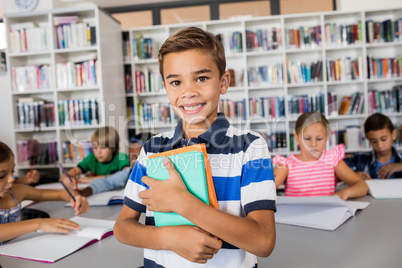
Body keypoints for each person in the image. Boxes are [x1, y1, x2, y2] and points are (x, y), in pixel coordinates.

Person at [113, 27, 276, 267]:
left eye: (201, 78)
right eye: (176, 82)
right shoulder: (152, 148)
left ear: (223, 81)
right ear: (165, 88)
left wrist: (183, 203)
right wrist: (169, 237)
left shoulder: (249, 147)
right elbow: (123, 228)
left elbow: (263, 242)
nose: (188, 92)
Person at [0, 142, 89, 245]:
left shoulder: (16, 192)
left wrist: (76, 197)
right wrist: (39, 223)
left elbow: (60, 194)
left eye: (12, 171)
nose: (11, 179)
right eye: (2, 175)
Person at [273, 111, 368, 200]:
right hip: (294, 215)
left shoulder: (332, 159)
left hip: (326, 215)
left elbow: (362, 186)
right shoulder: (286, 165)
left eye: (319, 138)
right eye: (307, 138)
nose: (313, 144)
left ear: (327, 137)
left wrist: (344, 193)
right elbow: (265, 190)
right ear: (297, 139)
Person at [61, 126, 130, 187]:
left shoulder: (121, 157)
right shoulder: (91, 158)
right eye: (95, 147)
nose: (98, 152)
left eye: (103, 147)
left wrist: (93, 179)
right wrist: (66, 179)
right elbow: (65, 176)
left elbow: (127, 175)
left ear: (113, 147)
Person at [346, 113, 402, 179]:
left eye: (384, 139)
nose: (380, 146)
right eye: (374, 141)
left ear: (394, 134)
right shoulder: (359, 160)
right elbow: (335, 173)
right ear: (368, 139)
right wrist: (352, 176)